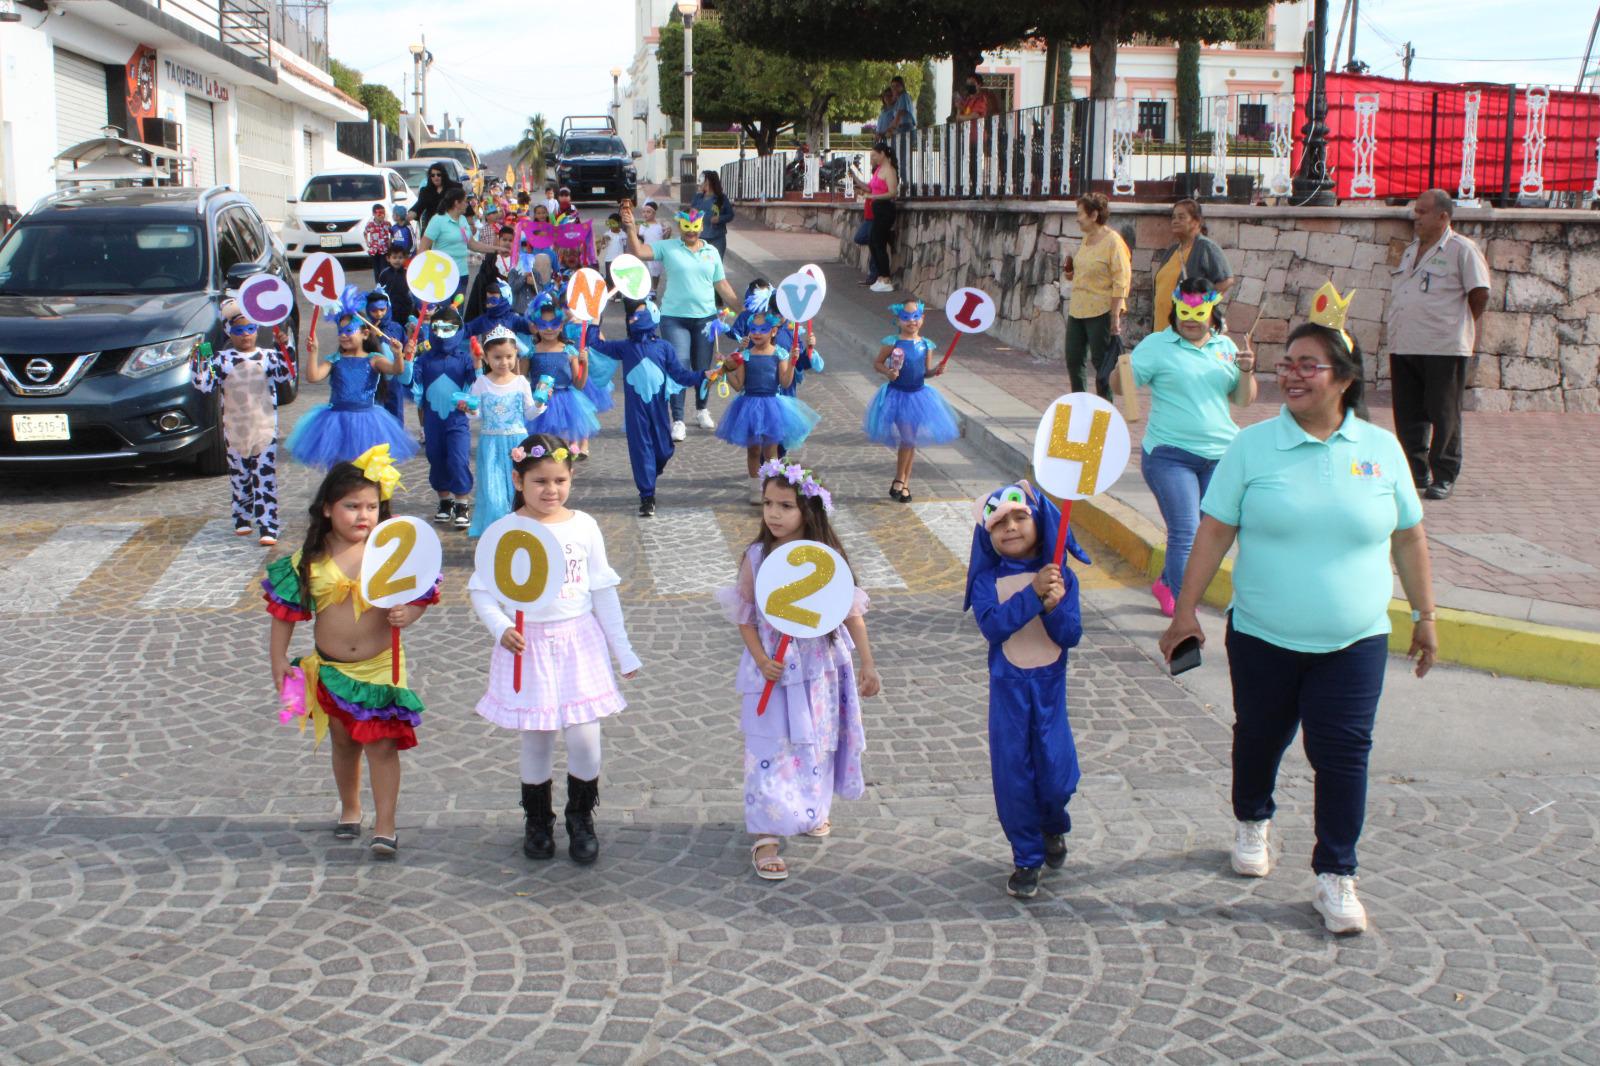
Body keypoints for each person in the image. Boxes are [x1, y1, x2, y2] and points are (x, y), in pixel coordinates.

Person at [1158, 291, 1440, 936]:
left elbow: (1409, 537)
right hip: (1263, 635)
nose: (1290, 373)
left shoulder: (1380, 448)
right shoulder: (1253, 448)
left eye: (1308, 364)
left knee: (1343, 753)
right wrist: (1185, 612)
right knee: (1259, 736)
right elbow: (1212, 531)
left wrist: (1425, 614)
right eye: (1286, 363)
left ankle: (1336, 874)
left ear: (1344, 378)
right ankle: (1253, 819)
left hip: (1356, 639)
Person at [469, 433, 641, 866]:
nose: (551, 490)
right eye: (540, 481)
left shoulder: (583, 526)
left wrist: (623, 650)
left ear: (571, 478)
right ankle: (538, 820)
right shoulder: (505, 531)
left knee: (586, 736)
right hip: (529, 645)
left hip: (579, 642)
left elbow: (602, 589)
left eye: (560, 480)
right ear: (518, 480)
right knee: (538, 736)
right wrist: (501, 627)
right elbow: (482, 590)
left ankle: (581, 817)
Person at [265, 449, 441, 858]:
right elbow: (284, 612)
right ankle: (350, 807)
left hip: (381, 666)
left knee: (382, 745)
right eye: (352, 506)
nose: (363, 515)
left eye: (371, 506)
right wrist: (278, 659)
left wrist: (409, 613)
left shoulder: (389, 552)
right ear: (327, 509)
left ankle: (386, 824)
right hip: (331, 670)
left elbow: (422, 593)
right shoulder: (308, 560)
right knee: (343, 743)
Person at [718, 460, 880, 880]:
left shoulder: (826, 559)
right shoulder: (756, 557)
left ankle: (810, 805)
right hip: (773, 666)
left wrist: (867, 662)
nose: (773, 513)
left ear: (808, 510)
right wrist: (759, 658)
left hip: (820, 665)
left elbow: (849, 614)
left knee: (816, 742)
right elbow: (745, 615)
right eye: (768, 504)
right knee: (770, 746)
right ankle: (766, 834)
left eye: (785, 505)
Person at [965, 481, 1091, 899]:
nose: (1011, 527)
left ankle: (1053, 824)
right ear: (988, 535)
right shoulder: (987, 581)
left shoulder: (1061, 577)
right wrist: (1034, 595)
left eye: (1020, 517)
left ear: (1038, 521)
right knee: (1013, 776)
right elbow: (994, 626)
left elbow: (1070, 636)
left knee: (1057, 774)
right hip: (1009, 695)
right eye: (999, 523)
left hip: (1049, 694)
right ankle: (1026, 856)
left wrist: (1054, 605)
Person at [1119, 277, 1258, 617]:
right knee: (1186, 532)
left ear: (1213, 313)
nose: (1191, 319)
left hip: (1220, 459)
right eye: (1184, 312)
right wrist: (1119, 370)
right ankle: (1185, 614)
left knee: (1207, 536)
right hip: (1170, 456)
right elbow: (1124, 385)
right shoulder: (1157, 345)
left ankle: (1167, 582)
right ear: (1175, 310)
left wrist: (1245, 372)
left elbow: (1243, 400)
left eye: (1199, 313)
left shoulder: (1225, 346)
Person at [1385, 189, 1491, 500]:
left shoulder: (1462, 250)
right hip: (1405, 342)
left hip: (1443, 345)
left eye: (1422, 212)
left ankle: (1444, 474)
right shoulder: (1410, 250)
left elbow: (1480, 294)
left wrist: (1456, 324)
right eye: (1415, 211)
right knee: (1408, 413)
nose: (1415, 217)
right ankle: (1415, 473)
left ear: (1443, 216)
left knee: (1443, 413)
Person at [620, 202, 739, 440]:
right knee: (680, 366)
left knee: (703, 366)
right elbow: (640, 252)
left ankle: (702, 409)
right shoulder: (669, 247)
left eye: (695, 227)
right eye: (686, 227)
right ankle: (678, 419)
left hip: (705, 318)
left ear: (701, 226)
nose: (691, 231)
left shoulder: (711, 252)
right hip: (674, 317)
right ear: (679, 226)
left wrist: (744, 310)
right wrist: (631, 228)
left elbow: (722, 285)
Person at [587, 299, 710, 516]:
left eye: (640, 313)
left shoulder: (664, 348)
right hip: (635, 411)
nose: (634, 317)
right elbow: (596, 344)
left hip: (658, 408)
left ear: (653, 315)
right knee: (641, 449)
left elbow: (681, 375)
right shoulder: (625, 347)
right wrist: (595, 320)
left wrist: (703, 376)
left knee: (663, 449)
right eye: (632, 315)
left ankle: (651, 471)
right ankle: (647, 496)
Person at [191, 300, 294, 546]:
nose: (245, 335)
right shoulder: (222, 360)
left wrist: (284, 345)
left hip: (264, 428)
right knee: (239, 476)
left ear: (258, 330)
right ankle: (242, 516)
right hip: (235, 429)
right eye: (238, 331)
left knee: (264, 476)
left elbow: (286, 373)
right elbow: (204, 384)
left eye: (250, 329)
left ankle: (268, 524)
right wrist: (199, 358)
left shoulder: (267, 357)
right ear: (229, 332)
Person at [285, 288, 417, 470]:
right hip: (336, 422)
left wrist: (398, 355)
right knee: (340, 468)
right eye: (340, 331)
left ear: (364, 333)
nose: (343, 335)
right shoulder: (336, 359)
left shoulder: (374, 358)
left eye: (349, 330)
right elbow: (313, 377)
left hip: (367, 420)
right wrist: (314, 352)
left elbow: (396, 370)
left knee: (365, 467)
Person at [714, 309, 822, 504]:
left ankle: (771, 487)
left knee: (770, 451)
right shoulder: (745, 356)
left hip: (772, 405)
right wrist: (726, 368)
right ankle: (755, 488)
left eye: (762, 329)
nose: (756, 333)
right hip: (749, 405)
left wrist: (791, 362)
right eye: (753, 329)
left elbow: (786, 382)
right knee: (753, 450)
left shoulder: (779, 354)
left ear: (773, 331)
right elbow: (739, 385)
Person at [864, 299, 959, 503]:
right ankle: (899, 478)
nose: (911, 321)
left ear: (922, 319)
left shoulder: (926, 344)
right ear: (898, 320)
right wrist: (889, 372)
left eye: (916, 317)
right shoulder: (893, 342)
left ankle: (905, 483)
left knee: (911, 441)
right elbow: (877, 363)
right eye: (906, 318)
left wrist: (936, 371)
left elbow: (925, 372)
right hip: (897, 395)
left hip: (919, 395)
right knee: (907, 438)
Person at [465, 329, 544, 536]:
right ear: (486, 357)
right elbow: (475, 415)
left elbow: (530, 413)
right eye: (497, 357)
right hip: (491, 444)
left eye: (509, 357)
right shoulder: (482, 382)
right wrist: (470, 409)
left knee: (519, 489)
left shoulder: (521, 382)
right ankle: (496, 534)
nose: (503, 362)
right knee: (493, 493)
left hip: (518, 442)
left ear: (516, 354)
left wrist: (540, 403)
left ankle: (521, 531)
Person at [414, 303, 477, 529]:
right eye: (439, 328)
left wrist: (478, 362)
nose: (444, 333)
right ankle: (444, 501)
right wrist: (406, 360)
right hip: (432, 421)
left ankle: (462, 502)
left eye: (449, 328)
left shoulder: (463, 358)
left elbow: (476, 379)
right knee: (436, 458)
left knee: (458, 459)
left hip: (457, 421)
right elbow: (410, 381)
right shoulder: (424, 359)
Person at [1062, 192, 1131, 396]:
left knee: (1102, 364)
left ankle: (1104, 411)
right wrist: (1072, 273)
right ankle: (1080, 403)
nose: (1077, 218)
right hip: (1078, 309)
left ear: (1093, 215)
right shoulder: (1086, 239)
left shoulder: (1113, 242)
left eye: (1080, 213)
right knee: (1073, 359)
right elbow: (1088, 270)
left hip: (1101, 311)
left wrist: (1115, 315)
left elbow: (1121, 280)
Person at [525, 293, 601, 458]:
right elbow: (521, 379)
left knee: (561, 449)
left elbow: (579, 384)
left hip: (565, 403)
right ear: (536, 326)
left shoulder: (569, 351)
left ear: (561, 326)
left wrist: (585, 364)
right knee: (541, 447)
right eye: (543, 325)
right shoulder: (532, 351)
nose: (549, 329)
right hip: (538, 402)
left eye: (554, 324)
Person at [1153, 199, 1234, 331]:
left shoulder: (1206, 247)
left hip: (1188, 327)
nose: (1175, 220)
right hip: (1162, 327)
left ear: (1196, 222)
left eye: (1181, 217)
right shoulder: (1172, 251)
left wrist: (1199, 301)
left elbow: (1227, 280)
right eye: (1173, 217)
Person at [419, 188, 500, 301]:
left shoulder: (462, 219)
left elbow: (472, 244)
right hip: (441, 276)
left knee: (457, 312)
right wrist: (424, 273)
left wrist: (497, 249)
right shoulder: (438, 220)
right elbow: (422, 248)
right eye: (465, 201)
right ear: (456, 203)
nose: (468, 204)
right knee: (442, 312)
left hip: (461, 274)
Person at [849, 143, 900, 293]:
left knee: (879, 243)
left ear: (883, 154)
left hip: (885, 210)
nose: (872, 158)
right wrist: (856, 180)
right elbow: (869, 187)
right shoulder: (878, 170)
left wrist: (873, 196)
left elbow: (892, 192)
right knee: (873, 242)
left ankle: (886, 278)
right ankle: (880, 277)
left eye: (874, 155)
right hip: (877, 210)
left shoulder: (890, 171)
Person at [365, 289, 412, 431]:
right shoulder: (363, 330)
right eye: (374, 311)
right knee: (375, 415)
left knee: (396, 414)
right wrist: (371, 338)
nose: (379, 314)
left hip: (394, 380)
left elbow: (404, 351)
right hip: (373, 381)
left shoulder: (396, 328)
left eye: (382, 309)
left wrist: (407, 348)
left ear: (388, 308)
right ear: (368, 310)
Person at [691, 171, 736, 260]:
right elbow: (691, 216)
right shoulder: (698, 197)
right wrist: (693, 213)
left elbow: (730, 215)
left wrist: (720, 219)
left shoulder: (721, 198)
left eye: (702, 179)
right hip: (700, 238)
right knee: (701, 265)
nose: (700, 183)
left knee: (716, 265)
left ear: (708, 181)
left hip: (717, 238)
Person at [410, 162, 463, 231]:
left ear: (443, 175)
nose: (436, 177)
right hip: (432, 227)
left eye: (438, 175)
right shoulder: (425, 191)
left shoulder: (455, 188)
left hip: (452, 226)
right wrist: (409, 215)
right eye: (433, 175)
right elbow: (418, 206)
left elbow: (464, 206)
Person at [376, 245, 415, 326]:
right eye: (394, 257)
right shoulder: (384, 273)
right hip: (390, 308)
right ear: (388, 258)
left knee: (406, 327)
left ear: (405, 258)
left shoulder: (408, 273)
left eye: (400, 258)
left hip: (406, 307)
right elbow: (379, 290)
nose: (397, 260)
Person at [637, 201, 666, 292]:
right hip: (644, 251)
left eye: (648, 212)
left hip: (656, 253)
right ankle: (644, 290)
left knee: (655, 273)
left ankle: (654, 289)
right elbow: (639, 238)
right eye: (644, 212)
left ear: (654, 213)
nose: (645, 214)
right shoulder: (641, 225)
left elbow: (665, 238)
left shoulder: (660, 226)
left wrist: (668, 231)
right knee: (644, 271)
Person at [362, 204, 391, 284]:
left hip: (384, 250)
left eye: (383, 213)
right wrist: (367, 242)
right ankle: (378, 285)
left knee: (384, 268)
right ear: (374, 214)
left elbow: (392, 232)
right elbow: (365, 233)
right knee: (376, 269)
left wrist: (390, 241)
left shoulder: (387, 224)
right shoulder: (370, 225)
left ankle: (384, 284)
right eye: (379, 214)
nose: (382, 216)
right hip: (374, 250)